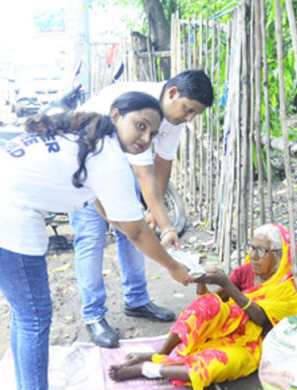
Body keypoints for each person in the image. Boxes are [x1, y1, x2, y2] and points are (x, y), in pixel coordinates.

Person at [0, 92, 193, 390]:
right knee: (35, 316)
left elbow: (108, 209)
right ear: (116, 116)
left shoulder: (88, 138)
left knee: (27, 314)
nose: (145, 139)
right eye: (140, 126)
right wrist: (173, 267)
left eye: (153, 134)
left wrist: (123, 223)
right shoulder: (107, 157)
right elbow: (136, 231)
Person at [71, 70, 214, 348]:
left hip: (119, 165)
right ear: (172, 93)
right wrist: (168, 227)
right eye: (188, 110)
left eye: (195, 114)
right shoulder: (142, 106)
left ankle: (136, 300)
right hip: (86, 164)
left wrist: (155, 216)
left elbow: (162, 164)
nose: (188, 118)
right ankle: (93, 315)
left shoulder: (173, 117)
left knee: (138, 229)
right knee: (92, 237)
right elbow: (144, 176)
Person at [109, 223, 297, 390]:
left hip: (250, 345)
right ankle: (160, 354)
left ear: (279, 255)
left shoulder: (287, 288)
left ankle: (147, 370)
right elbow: (210, 303)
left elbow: (261, 318)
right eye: (252, 248)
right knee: (205, 305)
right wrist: (201, 281)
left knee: (217, 362)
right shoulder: (246, 272)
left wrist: (228, 285)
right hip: (225, 329)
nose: (253, 256)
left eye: (261, 251)